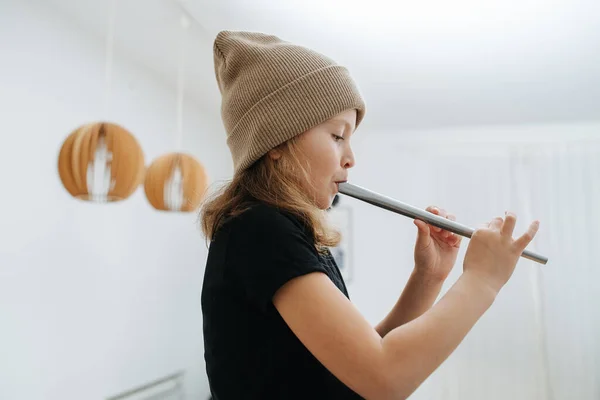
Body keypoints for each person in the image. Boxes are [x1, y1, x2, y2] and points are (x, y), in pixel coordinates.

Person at [199, 31, 540, 400]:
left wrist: (428, 277)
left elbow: (356, 367)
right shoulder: (260, 229)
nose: (351, 158)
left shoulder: (280, 230)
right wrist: (482, 281)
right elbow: (384, 377)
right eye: (337, 136)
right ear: (277, 142)